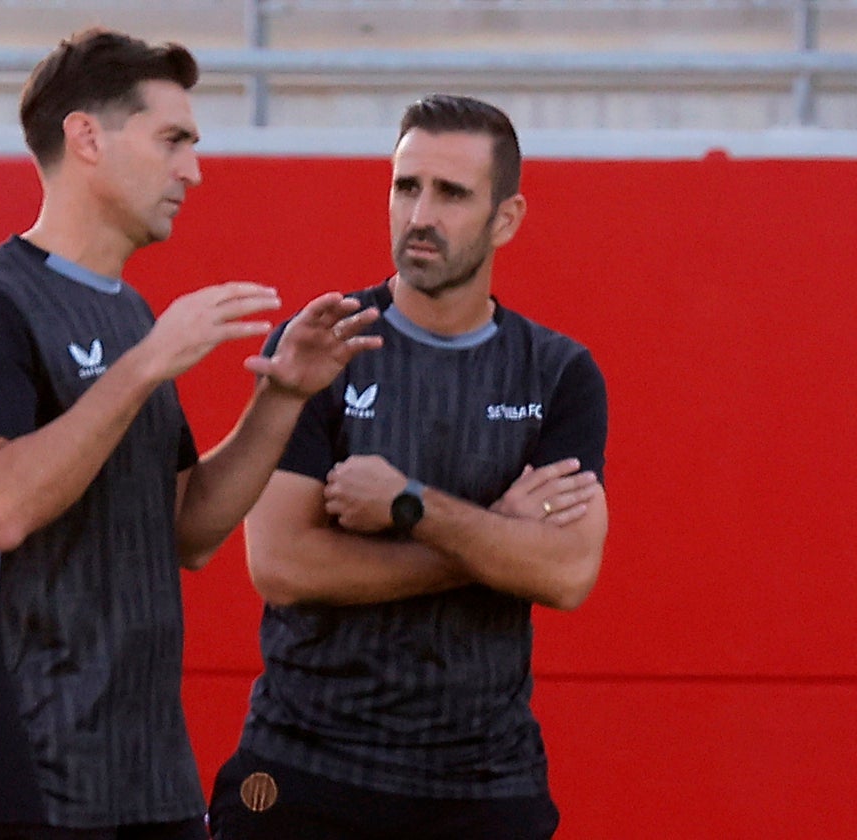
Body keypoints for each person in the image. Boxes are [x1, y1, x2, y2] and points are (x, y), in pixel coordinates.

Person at [0, 28, 381, 840]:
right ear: (86, 137)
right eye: (173, 140)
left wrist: (283, 398)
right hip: (38, 781)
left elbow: (188, 530)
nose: (193, 171)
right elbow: (0, 507)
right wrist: (143, 366)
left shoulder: (132, 314)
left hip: (154, 778)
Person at [207, 94, 609, 840]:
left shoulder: (557, 373)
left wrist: (409, 504)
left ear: (507, 218)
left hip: (485, 785)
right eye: (406, 186)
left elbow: (565, 573)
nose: (420, 214)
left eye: (451, 193)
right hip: (304, 770)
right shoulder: (323, 344)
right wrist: (492, 538)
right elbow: (283, 564)